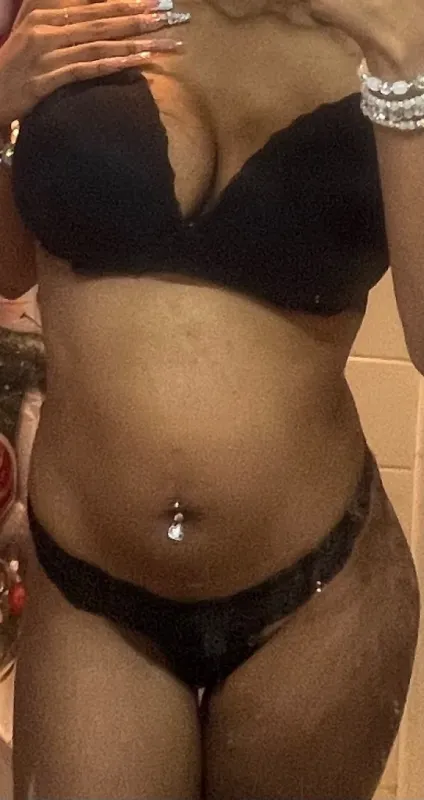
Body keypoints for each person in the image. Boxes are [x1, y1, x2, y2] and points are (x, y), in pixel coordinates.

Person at [0, 0, 422, 796]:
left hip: (319, 602)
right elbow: (8, 268)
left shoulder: (394, 23)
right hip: (91, 593)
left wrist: (407, 55)